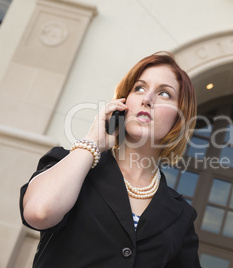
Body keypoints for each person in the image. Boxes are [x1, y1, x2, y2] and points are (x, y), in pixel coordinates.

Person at [19, 51, 201, 268]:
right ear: (122, 103)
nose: (147, 99)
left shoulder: (181, 216)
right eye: (139, 88)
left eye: (164, 94)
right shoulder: (69, 165)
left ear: (178, 118)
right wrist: (92, 143)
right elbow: (39, 213)